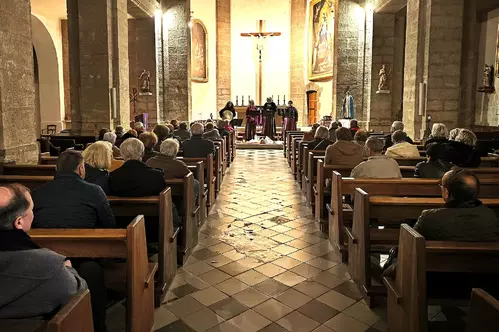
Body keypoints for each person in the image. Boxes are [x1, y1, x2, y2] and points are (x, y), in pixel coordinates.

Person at [0, 184, 87, 320]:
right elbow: (79, 296)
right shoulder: (48, 265)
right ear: (19, 222)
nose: (33, 214)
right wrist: (69, 270)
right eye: (31, 209)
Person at [32, 150, 115, 229]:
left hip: (43, 243)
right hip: (86, 242)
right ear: (81, 169)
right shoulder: (95, 191)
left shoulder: (37, 192)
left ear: (56, 169)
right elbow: (109, 224)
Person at [413, 168, 499, 241]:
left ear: (446, 192)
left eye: (441, 186)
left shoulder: (429, 218)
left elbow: (412, 245)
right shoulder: (490, 216)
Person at [147, 139, 200, 208]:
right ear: (175, 151)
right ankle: (186, 208)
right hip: (174, 192)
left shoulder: (150, 162)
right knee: (195, 183)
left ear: (161, 149)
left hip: (154, 191)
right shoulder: (179, 164)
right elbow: (190, 178)